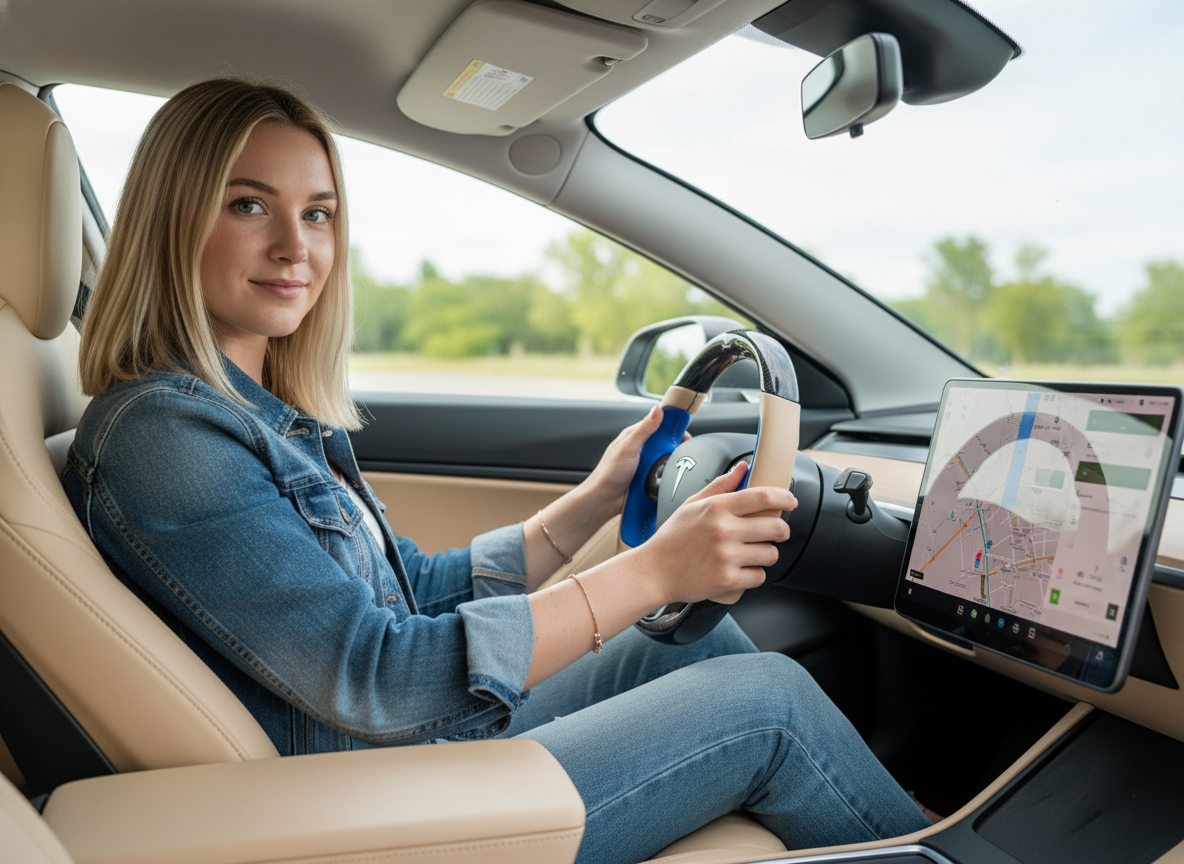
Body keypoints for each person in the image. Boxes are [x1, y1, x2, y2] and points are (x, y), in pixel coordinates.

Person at [63, 78, 931, 863]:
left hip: (398, 754)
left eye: (319, 214)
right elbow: (377, 674)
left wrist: (593, 501)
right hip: (371, 796)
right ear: (173, 219)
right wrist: (655, 571)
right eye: (250, 205)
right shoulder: (166, 436)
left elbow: (408, 594)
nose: (297, 246)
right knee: (770, 704)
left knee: (691, 642)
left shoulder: (261, 417)